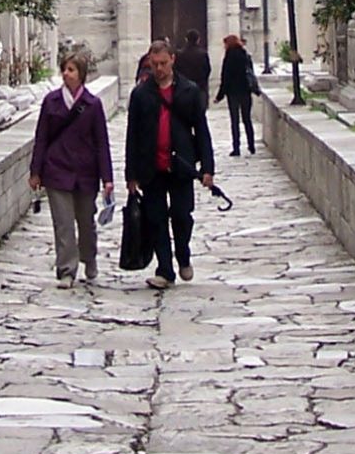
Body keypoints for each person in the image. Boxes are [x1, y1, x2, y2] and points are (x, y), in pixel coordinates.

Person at [124, 38, 215, 289]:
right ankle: (165, 269)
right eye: (154, 64)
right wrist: (130, 175)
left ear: (172, 60)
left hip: (181, 165)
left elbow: (201, 130)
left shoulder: (189, 91)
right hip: (151, 166)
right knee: (156, 219)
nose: (159, 68)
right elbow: (133, 134)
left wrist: (207, 168)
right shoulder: (141, 94)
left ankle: (183, 254)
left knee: (182, 215)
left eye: (163, 63)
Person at [28, 51, 113, 288]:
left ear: (81, 75)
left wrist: (107, 178)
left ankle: (89, 257)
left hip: (85, 172)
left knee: (86, 222)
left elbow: (101, 143)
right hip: (57, 169)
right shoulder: (51, 102)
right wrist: (36, 171)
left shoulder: (93, 105)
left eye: (71, 69)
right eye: (64, 69)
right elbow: (42, 137)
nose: (66, 73)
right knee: (63, 223)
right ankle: (66, 269)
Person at [216, 32, 259, 156]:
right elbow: (250, 73)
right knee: (247, 119)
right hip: (245, 91)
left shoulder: (229, 57)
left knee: (235, 121)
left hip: (233, 93)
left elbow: (225, 77)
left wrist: (220, 95)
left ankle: (236, 148)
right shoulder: (245, 55)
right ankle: (251, 146)